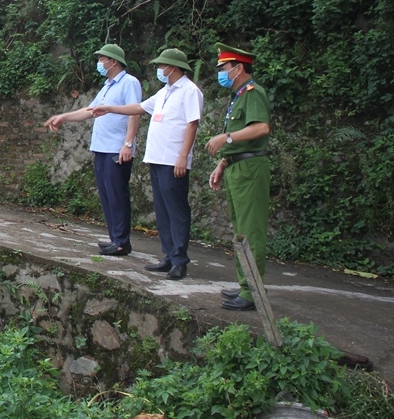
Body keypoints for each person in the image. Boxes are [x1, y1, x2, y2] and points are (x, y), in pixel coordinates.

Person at [90, 48, 203, 280]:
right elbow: (139, 108)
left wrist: (183, 155)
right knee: (162, 211)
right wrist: (110, 108)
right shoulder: (164, 92)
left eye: (163, 65)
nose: (160, 69)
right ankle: (169, 255)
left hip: (174, 160)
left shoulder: (190, 91)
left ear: (174, 67)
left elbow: (192, 124)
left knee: (177, 211)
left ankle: (180, 259)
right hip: (157, 157)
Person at [43, 44, 141, 256]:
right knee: (106, 194)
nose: (99, 63)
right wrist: (64, 117)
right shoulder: (107, 86)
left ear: (113, 61)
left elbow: (135, 113)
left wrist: (128, 143)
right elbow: (90, 111)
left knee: (117, 194)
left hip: (117, 148)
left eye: (102, 59)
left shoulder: (129, 83)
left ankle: (122, 242)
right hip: (101, 148)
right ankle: (115, 238)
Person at [205, 43, 271, 311]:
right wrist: (222, 164)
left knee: (250, 230)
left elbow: (261, 128)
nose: (220, 72)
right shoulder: (239, 97)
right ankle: (246, 285)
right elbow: (238, 142)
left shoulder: (254, 94)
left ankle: (252, 292)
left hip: (250, 169)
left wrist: (226, 137)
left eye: (223, 68)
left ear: (238, 68)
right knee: (240, 229)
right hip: (236, 166)